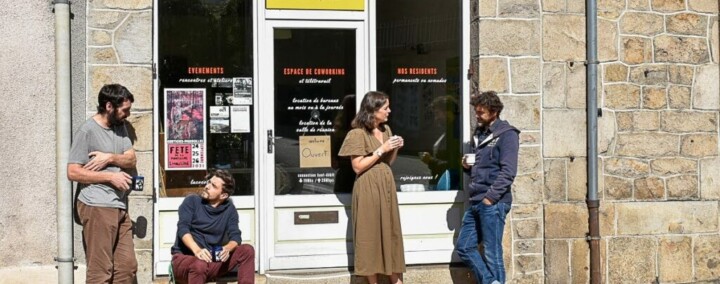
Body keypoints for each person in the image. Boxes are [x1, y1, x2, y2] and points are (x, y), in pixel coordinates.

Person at [67, 83, 138, 283]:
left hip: (119, 205)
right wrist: (110, 176)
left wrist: (109, 158)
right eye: (125, 110)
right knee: (101, 270)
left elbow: (131, 159)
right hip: (96, 205)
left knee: (127, 268)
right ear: (109, 106)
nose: (128, 114)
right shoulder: (87, 131)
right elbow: (72, 172)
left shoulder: (120, 127)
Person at [338, 91, 406, 284]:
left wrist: (394, 149)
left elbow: (388, 162)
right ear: (373, 109)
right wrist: (381, 149)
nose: (389, 111)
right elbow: (357, 166)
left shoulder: (386, 130)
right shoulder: (357, 133)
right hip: (367, 187)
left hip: (385, 185)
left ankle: (396, 280)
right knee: (369, 234)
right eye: (385, 108)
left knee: (390, 231)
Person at [456, 91, 519, 284]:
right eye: (476, 111)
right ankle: (491, 282)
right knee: (464, 247)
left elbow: (508, 172)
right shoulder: (480, 134)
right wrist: (467, 167)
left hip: (493, 202)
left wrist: (490, 198)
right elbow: (481, 167)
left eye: (481, 112)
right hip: (476, 200)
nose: (477, 115)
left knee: (492, 251)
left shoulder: (507, 135)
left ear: (494, 112)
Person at [171, 169, 255, 284]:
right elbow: (183, 229)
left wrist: (227, 248)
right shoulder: (192, 201)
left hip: (212, 261)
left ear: (223, 195)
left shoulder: (229, 209)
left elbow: (236, 236)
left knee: (247, 250)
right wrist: (197, 250)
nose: (207, 186)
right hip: (185, 261)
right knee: (199, 265)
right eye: (209, 182)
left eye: (213, 186)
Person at [420, 95, 461, 190]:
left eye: (438, 113)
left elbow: (453, 164)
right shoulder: (449, 128)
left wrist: (430, 161)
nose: (436, 118)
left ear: (448, 112)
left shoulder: (457, 131)